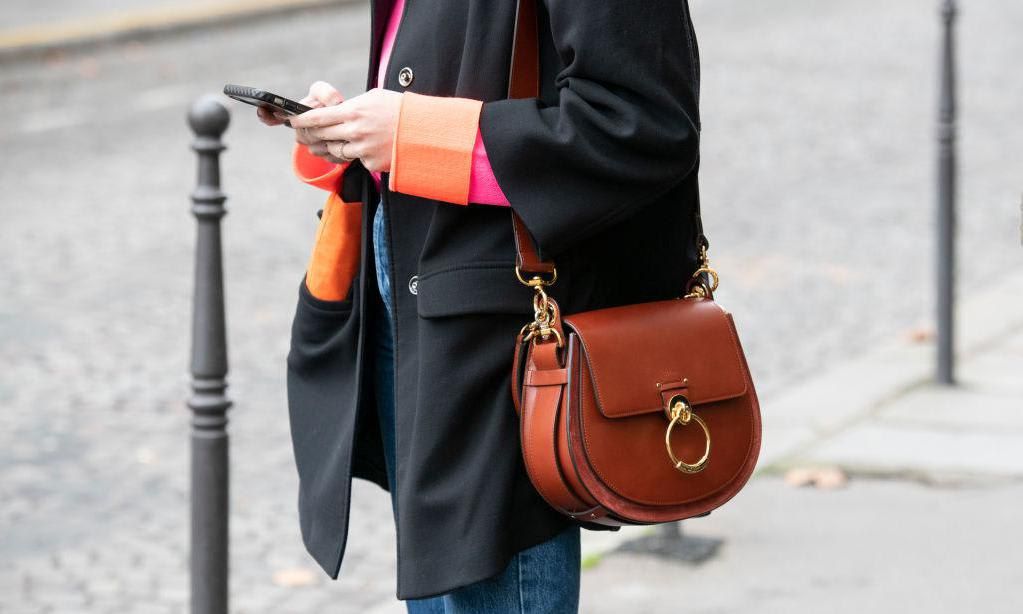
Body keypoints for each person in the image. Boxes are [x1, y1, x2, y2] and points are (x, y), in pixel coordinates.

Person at [259, 1, 703, 611]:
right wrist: (361, 127)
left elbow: (641, 125)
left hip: (512, 321)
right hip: (419, 283)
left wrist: (413, 136)